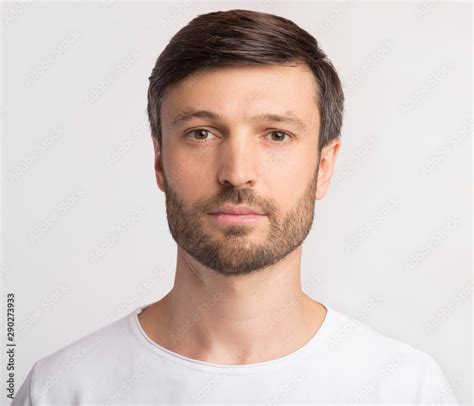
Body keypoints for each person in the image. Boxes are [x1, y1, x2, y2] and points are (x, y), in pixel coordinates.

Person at [13, 9, 459, 405]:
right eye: (202, 133)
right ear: (159, 162)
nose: (237, 172)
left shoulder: (405, 390)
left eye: (276, 135)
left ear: (323, 167)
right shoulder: (64, 390)